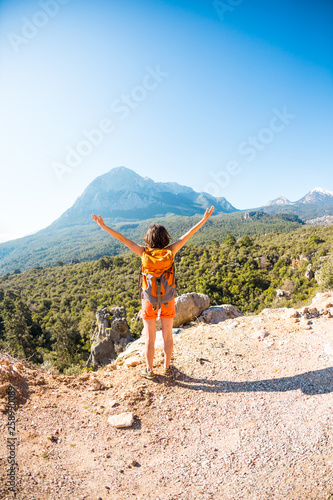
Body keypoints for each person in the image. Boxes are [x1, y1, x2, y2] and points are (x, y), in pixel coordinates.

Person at [91, 206, 214, 379]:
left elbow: (121, 238)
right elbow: (188, 234)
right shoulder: (170, 252)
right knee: (168, 336)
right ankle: (166, 367)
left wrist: (103, 226)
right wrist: (204, 218)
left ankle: (149, 371)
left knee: (150, 339)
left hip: (149, 301)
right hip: (168, 299)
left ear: (148, 239)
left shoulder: (143, 252)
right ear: (165, 238)